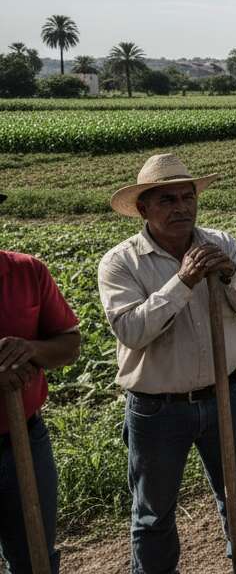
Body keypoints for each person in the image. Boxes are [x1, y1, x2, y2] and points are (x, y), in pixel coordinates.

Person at [97, 154, 236, 574]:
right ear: (143, 209)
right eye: (167, 200)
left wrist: (230, 274)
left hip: (223, 394)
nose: (181, 207)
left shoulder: (222, 244)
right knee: (154, 510)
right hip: (157, 407)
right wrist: (184, 281)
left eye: (187, 197)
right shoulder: (122, 262)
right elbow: (132, 332)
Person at [1, 192, 81, 574]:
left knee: (35, 557)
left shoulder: (27, 271)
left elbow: (69, 344)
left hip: (25, 441)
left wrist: (29, 349)